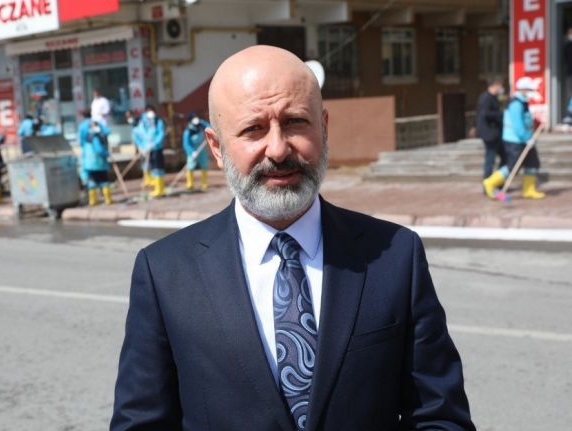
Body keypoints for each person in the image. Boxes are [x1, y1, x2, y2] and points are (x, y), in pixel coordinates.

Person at [111, 46, 474, 431]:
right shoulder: (165, 273)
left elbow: (440, 417)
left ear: (324, 127)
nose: (279, 149)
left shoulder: (394, 256)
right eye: (253, 129)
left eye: (295, 122)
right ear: (216, 147)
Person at [482, 76, 545, 200]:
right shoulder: (516, 104)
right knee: (512, 166)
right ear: (523, 90)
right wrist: (527, 138)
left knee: (533, 163)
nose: (531, 93)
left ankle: (529, 190)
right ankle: (490, 183)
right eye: (530, 90)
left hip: (525, 140)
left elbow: (526, 121)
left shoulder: (523, 103)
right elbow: (518, 125)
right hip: (515, 141)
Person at [78, 109, 112, 206]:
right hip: (99, 162)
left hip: (88, 162)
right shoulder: (96, 134)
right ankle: (108, 200)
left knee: (92, 180)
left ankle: (93, 201)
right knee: (104, 180)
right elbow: (100, 149)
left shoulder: (83, 130)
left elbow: (81, 142)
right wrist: (107, 154)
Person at [476, 78, 506, 180]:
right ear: (495, 85)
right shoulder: (486, 98)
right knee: (490, 158)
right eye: (500, 86)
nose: (501, 88)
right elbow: (485, 114)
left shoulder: (494, 98)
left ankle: (497, 181)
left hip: (495, 133)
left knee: (504, 157)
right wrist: (501, 115)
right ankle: (488, 182)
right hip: (489, 133)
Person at [133, 106, 165, 197]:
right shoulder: (142, 122)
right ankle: (155, 187)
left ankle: (160, 189)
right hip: (146, 150)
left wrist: (154, 144)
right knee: (150, 167)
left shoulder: (158, 121)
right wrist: (142, 147)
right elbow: (138, 135)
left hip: (156, 148)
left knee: (158, 168)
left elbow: (161, 134)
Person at [182, 113, 211, 191]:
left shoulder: (200, 125)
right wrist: (192, 152)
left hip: (202, 148)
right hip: (193, 150)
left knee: (204, 165)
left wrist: (201, 122)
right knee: (190, 166)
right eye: (194, 118)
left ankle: (204, 183)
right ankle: (190, 184)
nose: (196, 119)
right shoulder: (188, 131)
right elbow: (186, 144)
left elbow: (209, 127)